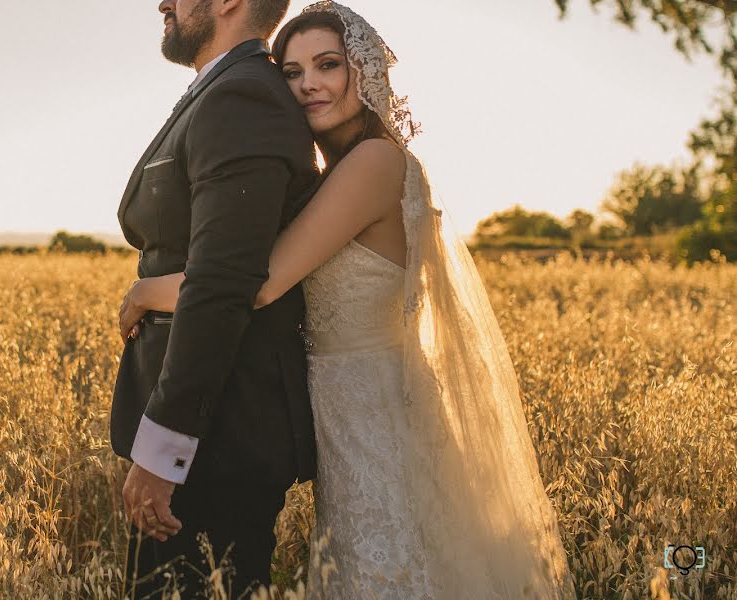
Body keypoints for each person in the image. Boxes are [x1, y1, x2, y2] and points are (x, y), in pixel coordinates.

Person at [120, 1, 580, 598]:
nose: (308, 83)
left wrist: (147, 290)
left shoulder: (374, 162)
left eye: (328, 65)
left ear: (364, 74)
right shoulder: (336, 170)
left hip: (372, 412)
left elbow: (257, 280)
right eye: (291, 71)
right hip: (341, 414)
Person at [110, 0, 320, 598]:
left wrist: (164, 450)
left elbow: (223, 282)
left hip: (218, 441)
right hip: (208, 437)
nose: (162, 4)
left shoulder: (244, 95)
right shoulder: (225, 87)